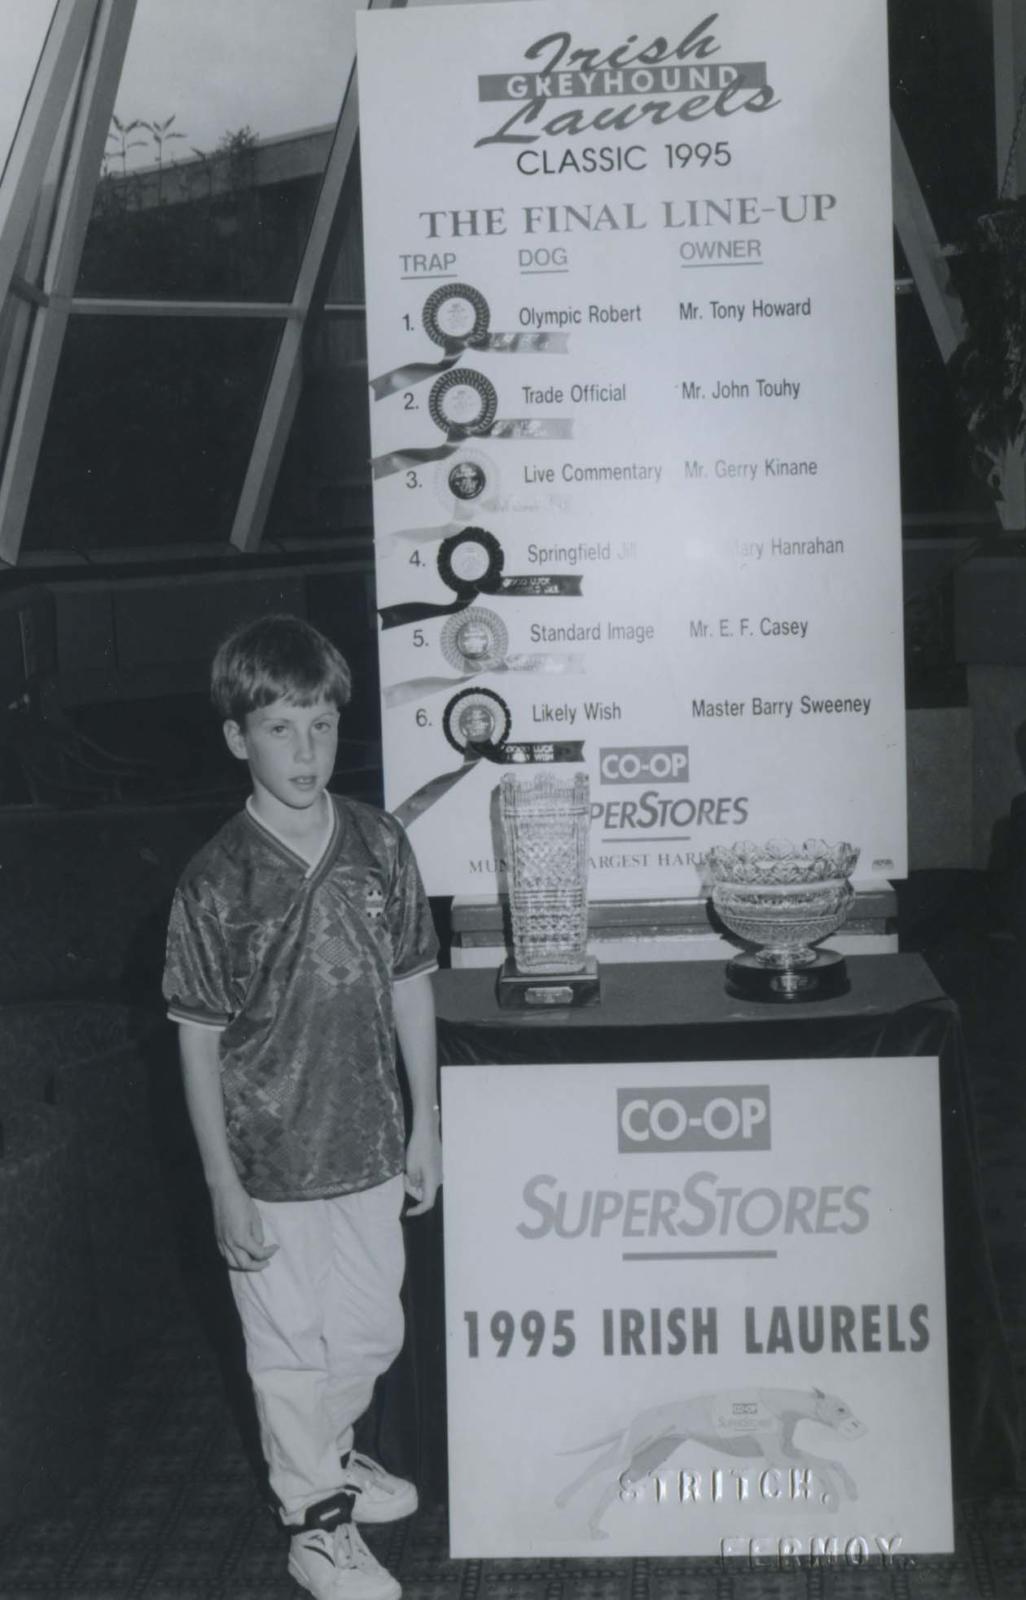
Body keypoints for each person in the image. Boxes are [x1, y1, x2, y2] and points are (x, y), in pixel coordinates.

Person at [163, 614, 441, 1600]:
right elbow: (197, 1041)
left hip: (368, 1145)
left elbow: (411, 986)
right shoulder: (214, 880)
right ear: (237, 737)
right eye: (280, 728)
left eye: (321, 725)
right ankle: (314, 1524)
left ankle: (329, 1455)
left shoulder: (378, 842)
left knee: (370, 1335)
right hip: (267, 1163)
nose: (306, 750)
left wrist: (426, 1123)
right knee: (287, 1351)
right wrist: (222, 1186)